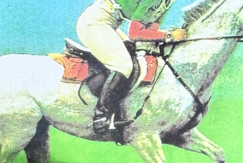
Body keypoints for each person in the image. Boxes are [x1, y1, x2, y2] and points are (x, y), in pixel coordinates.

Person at [77, 0, 187, 132]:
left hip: (111, 25)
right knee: (123, 66)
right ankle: (101, 116)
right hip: (94, 23)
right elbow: (135, 33)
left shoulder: (169, 1)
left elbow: (149, 29)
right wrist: (169, 35)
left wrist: (166, 37)